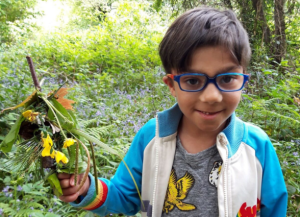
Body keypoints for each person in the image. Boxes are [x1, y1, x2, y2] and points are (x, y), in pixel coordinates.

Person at [58, 7, 287, 217]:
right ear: (171, 85)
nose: (211, 97)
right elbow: (125, 196)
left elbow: (274, 207)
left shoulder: (256, 146)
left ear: (244, 80)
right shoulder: (152, 137)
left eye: (227, 78)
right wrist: (86, 189)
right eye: (192, 80)